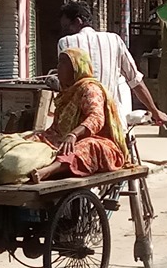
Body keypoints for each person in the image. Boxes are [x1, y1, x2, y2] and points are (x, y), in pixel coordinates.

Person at [57, 1, 167, 127]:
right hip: (111, 121)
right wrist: (154, 111)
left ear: (77, 22)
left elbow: (64, 84)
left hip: (79, 121)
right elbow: (136, 81)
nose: (65, 31)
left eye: (66, 27)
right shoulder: (114, 39)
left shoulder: (65, 43)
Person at [30, 48, 128, 184]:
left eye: (64, 63)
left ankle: (49, 170)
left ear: (76, 67)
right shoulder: (67, 92)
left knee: (86, 146)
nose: (58, 67)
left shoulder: (90, 89)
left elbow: (96, 117)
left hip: (100, 143)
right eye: (59, 62)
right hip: (63, 139)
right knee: (33, 138)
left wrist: (73, 134)